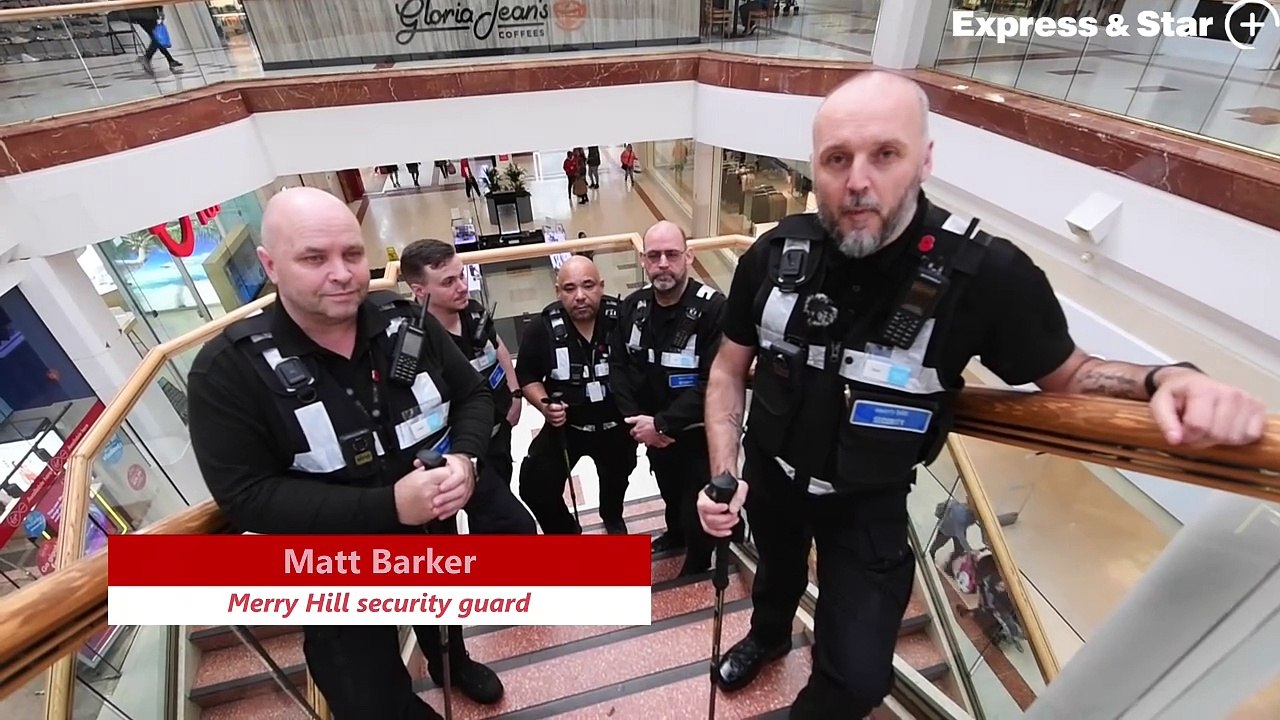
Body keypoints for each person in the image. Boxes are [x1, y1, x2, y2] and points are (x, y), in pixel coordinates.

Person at [696, 71, 1268, 718]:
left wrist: (1168, 379)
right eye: (837, 159)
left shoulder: (988, 275)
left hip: (867, 501)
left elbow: (1073, 375)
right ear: (815, 166)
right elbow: (728, 370)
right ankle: (768, 636)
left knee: (857, 678)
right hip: (772, 473)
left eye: (885, 154)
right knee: (774, 572)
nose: (858, 180)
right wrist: (723, 473)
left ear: (924, 159)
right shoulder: (775, 253)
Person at [187, 188, 506, 720]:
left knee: (442, 613)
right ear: (271, 265)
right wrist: (388, 507)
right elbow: (247, 497)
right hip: (334, 567)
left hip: (431, 529)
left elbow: (472, 394)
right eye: (314, 258)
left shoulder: (406, 320)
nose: (341, 273)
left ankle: (451, 660)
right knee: (368, 695)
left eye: (352, 254)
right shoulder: (228, 371)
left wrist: (465, 459)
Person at [611, 221, 728, 575]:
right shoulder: (633, 307)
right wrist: (639, 423)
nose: (663, 263)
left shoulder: (714, 309)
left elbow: (714, 382)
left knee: (696, 503)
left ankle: (697, 563)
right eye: (654, 256)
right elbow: (618, 367)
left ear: (688, 257)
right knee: (670, 492)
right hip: (651, 432)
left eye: (672, 254)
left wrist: (661, 424)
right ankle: (675, 535)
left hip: (696, 432)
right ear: (643, 260)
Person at [398, 238, 536, 535]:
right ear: (420, 290)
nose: (462, 287)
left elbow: (498, 346)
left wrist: (515, 394)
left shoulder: (472, 311)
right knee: (511, 522)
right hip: (454, 453)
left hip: (498, 432)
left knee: (491, 517)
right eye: (449, 282)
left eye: (461, 276)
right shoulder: (409, 341)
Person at [516, 256, 637, 534]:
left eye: (588, 285)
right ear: (558, 291)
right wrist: (545, 407)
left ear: (601, 286)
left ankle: (612, 515)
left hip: (617, 425)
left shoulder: (623, 319)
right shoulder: (542, 328)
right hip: (567, 426)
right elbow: (527, 375)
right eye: (570, 288)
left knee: (617, 477)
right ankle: (566, 532)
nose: (580, 296)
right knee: (535, 484)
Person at [118, 5, 183, 73]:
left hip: (138, 14)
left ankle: (170, 60)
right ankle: (147, 57)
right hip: (147, 13)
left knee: (156, 38)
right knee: (157, 38)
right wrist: (160, 10)